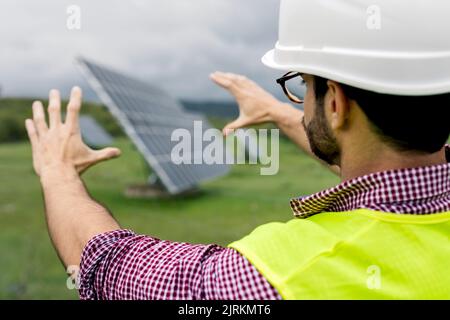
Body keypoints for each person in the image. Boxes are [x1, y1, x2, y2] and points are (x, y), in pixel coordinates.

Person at [25, 0, 450, 299]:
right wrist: (283, 115)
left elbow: (107, 265)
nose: (298, 103)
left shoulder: (278, 278)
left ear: (335, 103)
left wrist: (58, 171)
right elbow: (383, 168)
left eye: (302, 85)